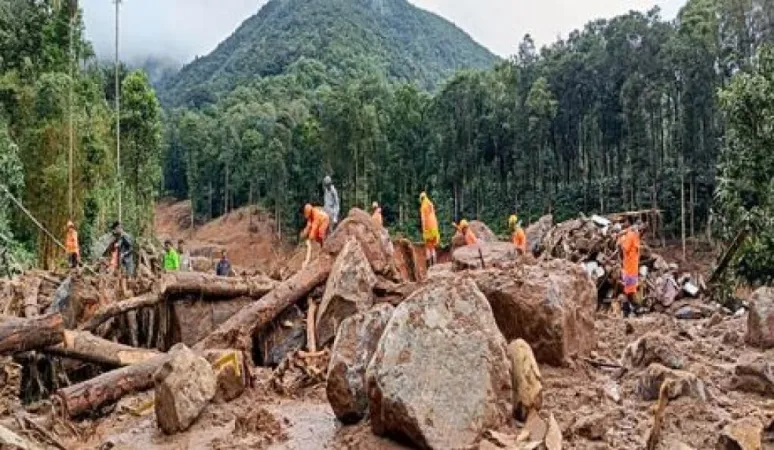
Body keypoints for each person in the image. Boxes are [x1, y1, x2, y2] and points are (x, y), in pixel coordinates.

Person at [617, 216, 641, 318]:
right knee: (628, 290)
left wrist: (621, 239)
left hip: (630, 266)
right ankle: (628, 310)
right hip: (630, 265)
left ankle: (636, 308)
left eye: (624, 221)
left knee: (629, 290)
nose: (623, 223)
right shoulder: (633, 234)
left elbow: (625, 248)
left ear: (629, 222)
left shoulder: (630, 235)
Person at [419, 192, 440, 267]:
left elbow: (423, 220)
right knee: (433, 247)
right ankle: (435, 265)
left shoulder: (423, 206)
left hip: (428, 229)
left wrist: (423, 230)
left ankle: (429, 267)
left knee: (428, 247)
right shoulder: (430, 204)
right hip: (434, 228)